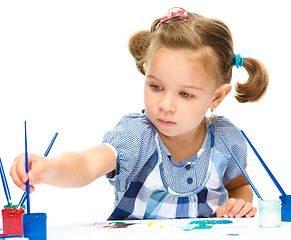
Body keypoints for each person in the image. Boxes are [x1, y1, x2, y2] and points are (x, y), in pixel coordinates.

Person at [10, 7, 268, 220]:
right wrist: (49, 167)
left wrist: (236, 206)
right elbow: (87, 164)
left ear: (217, 97)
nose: (166, 104)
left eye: (185, 94)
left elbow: (240, 186)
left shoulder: (225, 141)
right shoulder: (135, 136)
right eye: (156, 86)